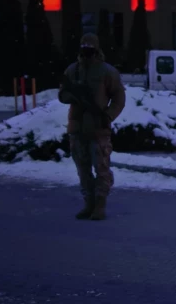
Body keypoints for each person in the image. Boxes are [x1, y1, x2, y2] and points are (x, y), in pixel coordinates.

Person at [58, 33, 126, 221]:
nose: (87, 49)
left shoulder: (107, 72)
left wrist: (108, 115)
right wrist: (73, 95)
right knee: (82, 169)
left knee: (101, 167)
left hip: (98, 128)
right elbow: (62, 94)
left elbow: (119, 98)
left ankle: (100, 204)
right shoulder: (73, 71)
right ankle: (88, 203)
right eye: (84, 45)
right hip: (77, 128)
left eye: (90, 46)